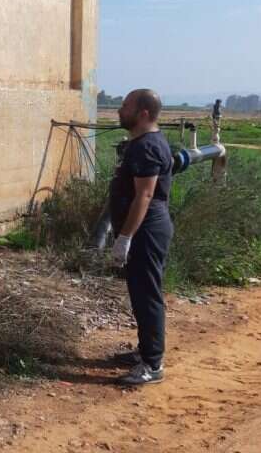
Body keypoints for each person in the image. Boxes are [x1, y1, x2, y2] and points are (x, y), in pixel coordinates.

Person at [109, 89, 174, 386]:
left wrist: (125, 237)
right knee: (140, 291)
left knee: (147, 294)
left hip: (147, 229)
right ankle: (145, 351)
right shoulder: (142, 143)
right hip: (144, 228)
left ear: (143, 113)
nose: (120, 110)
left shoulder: (147, 146)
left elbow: (145, 195)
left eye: (125, 106)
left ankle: (152, 364)